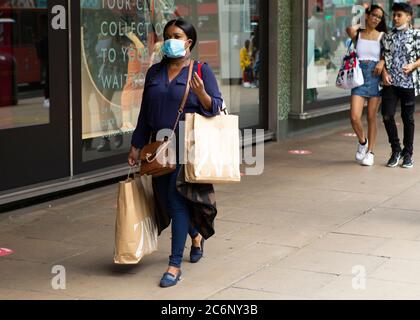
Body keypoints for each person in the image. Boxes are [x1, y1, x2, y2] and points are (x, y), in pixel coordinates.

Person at [128, 18, 222, 288]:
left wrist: (202, 94)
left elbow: (215, 107)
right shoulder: (154, 73)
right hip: (158, 149)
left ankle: (174, 265)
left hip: (187, 147)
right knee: (166, 202)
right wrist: (136, 145)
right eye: (167, 35)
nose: (170, 39)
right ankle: (195, 235)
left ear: (188, 42)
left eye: (176, 35)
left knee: (177, 200)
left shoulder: (201, 70)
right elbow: (145, 113)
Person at [346, 5, 387, 166]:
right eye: (374, 15)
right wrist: (361, 21)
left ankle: (370, 152)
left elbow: (387, 54)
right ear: (367, 15)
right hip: (359, 76)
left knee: (371, 117)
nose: (376, 19)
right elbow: (350, 28)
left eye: (379, 17)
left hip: (375, 77)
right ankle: (362, 142)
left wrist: (382, 62)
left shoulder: (383, 36)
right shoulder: (358, 34)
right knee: (354, 117)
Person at [381, 3, 420, 169]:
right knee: (387, 115)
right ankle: (396, 150)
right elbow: (383, 57)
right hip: (391, 83)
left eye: (399, 15)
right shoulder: (388, 36)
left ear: (408, 16)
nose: (395, 18)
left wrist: (413, 66)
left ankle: (408, 153)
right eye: (394, 15)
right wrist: (384, 73)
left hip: (409, 83)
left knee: (407, 118)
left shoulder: (417, 35)